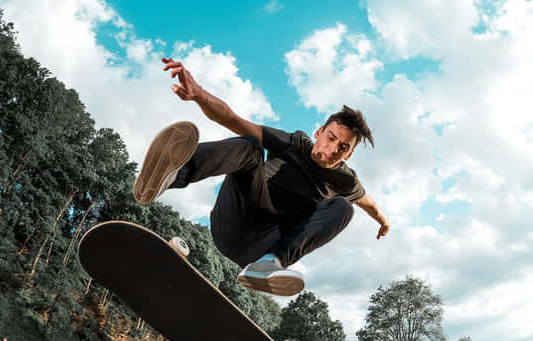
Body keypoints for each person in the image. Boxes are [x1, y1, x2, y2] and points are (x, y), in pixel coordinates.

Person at [132, 57, 390, 296]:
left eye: (343, 148)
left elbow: (370, 205)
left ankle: (269, 265)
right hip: (234, 221)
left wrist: (383, 222)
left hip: (263, 247)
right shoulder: (292, 144)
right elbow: (233, 119)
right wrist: (199, 96)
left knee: (344, 208)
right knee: (251, 146)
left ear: (350, 154)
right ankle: (168, 176)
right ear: (319, 131)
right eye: (331, 138)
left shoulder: (346, 181)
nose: (332, 150)